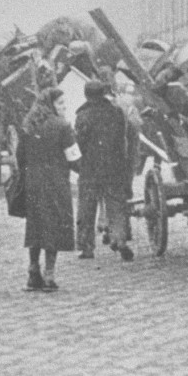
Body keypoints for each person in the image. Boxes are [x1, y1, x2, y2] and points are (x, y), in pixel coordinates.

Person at [16, 87, 81, 291]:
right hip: (55, 183)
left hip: (33, 183)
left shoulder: (28, 125)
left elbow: (20, 157)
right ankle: (49, 275)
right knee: (53, 224)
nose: (64, 107)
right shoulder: (63, 126)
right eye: (61, 103)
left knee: (35, 225)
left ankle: (33, 272)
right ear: (51, 105)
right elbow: (74, 159)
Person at [75, 80, 134, 261]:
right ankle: (120, 240)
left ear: (86, 95)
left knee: (87, 207)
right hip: (114, 166)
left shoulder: (82, 115)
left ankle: (86, 247)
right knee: (116, 205)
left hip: (90, 167)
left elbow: (80, 144)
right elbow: (123, 140)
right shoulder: (116, 112)